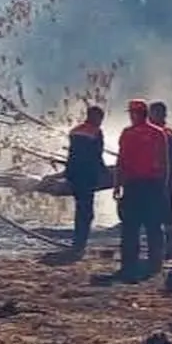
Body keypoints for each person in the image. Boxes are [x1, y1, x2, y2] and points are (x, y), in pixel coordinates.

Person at [113, 98, 169, 277]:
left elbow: (121, 162)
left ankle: (129, 263)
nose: (130, 117)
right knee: (153, 225)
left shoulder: (127, 134)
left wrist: (117, 185)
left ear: (135, 114)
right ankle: (155, 262)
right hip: (153, 185)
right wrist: (164, 187)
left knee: (130, 226)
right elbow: (165, 163)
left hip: (133, 185)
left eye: (131, 113)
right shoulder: (159, 133)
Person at [64, 105, 108, 254]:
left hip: (74, 174)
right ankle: (79, 244)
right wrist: (104, 172)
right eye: (100, 118)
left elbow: (72, 155)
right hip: (87, 176)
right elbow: (96, 156)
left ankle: (77, 242)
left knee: (80, 209)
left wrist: (68, 174)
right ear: (95, 117)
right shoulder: (96, 132)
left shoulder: (75, 131)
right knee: (86, 212)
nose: (101, 121)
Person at [148, 100, 172, 260]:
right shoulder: (166, 132)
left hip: (162, 177)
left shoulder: (165, 133)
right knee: (158, 212)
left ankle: (165, 249)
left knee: (163, 212)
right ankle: (161, 248)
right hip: (157, 177)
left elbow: (170, 154)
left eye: (152, 113)